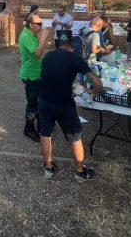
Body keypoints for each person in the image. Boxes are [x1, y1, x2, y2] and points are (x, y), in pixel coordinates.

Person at [39, 34, 102, 181]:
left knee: (45, 133)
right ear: (72, 47)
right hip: (64, 104)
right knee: (75, 137)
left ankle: (48, 167)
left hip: (44, 100)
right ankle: (80, 172)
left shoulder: (48, 56)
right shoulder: (74, 58)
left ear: (58, 45)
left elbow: (54, 78)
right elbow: (98, 83)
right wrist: (93, 93)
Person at [18, 14, 51, 142]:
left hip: (37, 73)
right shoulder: (26, 36)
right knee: (32, 104)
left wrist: (41, 38)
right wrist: (43, 38)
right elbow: (37, 53)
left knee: (39, 101)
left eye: (42, 23)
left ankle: (41, 125)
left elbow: (39, 50)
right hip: (30, 75)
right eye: (39, 24)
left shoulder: (31, 34)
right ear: (31, 25)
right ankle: (28, 129)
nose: (41, 26)